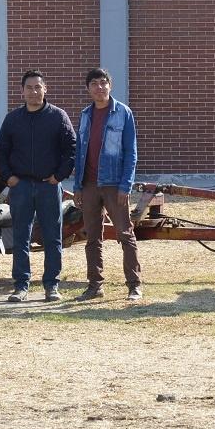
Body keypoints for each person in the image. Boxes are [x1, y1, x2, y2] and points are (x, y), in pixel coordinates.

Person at [0, 70, 76, 302]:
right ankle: (21, 285)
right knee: (21, 237)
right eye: (29, 88)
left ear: (45, 89)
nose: (33, 92)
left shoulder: (58, 117)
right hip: (20, 187)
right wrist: (8, 177)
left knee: (52, 236)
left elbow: (71, 149)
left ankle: (51, 285)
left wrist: (59, 176)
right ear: (22, 91)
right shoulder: (13, 119)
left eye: (37, 87)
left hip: (48, 187)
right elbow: (1, 151)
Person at [73, 68, 141, 301]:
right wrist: (78, 186)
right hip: (89, 184)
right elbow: (80, 150)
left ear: (110, 86)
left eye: (103, 83)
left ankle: (134, 285)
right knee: (92, 237)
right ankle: (95, 285)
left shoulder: (123, 113)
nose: (99, 88)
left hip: (114, 184)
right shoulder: (85, 115)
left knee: (125, 234)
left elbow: (131, 153)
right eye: (94, 84)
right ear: (88, 89)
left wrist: (126, 185)